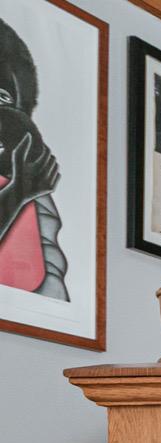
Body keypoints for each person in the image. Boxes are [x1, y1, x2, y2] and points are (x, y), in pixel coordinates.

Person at [0, 15, 68, 303]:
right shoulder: (26, 187)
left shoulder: (33, 190)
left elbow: (51, 292)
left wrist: (23, 190)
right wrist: (19, 192)